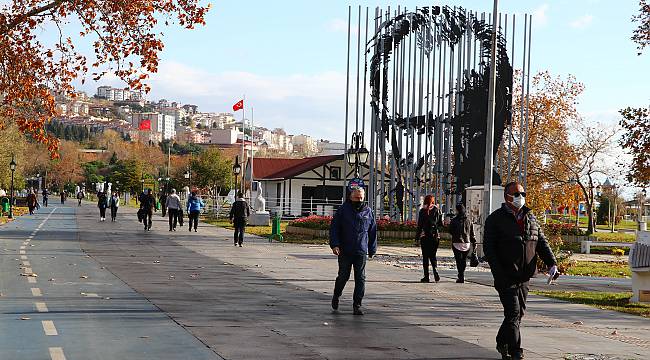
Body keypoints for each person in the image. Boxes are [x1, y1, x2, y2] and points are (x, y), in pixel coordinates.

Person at [484, 182, 558, 360]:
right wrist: (498, 273)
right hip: (505, 275)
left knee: (518, 314)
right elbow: (489, 249)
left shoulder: (530, 217)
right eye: (516, 194)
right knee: (513, 312)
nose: (520, 197)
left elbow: (541, 242)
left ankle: (502, 341)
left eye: (523, 193)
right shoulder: (495, 219)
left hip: (524, 275)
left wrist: (552, 263)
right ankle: (516, 350)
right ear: (507, 197)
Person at [329, 186, 377, 316]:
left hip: (360, 250)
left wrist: (372, 248)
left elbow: (372, 231)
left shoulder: (368, 211)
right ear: (351, 197)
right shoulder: (343, 211)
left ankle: (357, 305)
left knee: (360, 278)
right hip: (345, 249)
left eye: (361, 198)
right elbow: (334, 229)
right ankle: (336, 295)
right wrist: (335, 245)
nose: (359, 200)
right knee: (343, 276)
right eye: (357, 197)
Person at [415, 194, 443, 283]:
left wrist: (416, 238)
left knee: (425, 257)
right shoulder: (437, 210)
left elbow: (419, 226)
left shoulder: (422, 211)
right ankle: (435, 270)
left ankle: (426, 276)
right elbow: (441, 224)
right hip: (435, 237)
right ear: (433, 201)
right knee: (433, 255)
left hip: (425, 236)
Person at [449, 203, 476, 283]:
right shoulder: (468, 220)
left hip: (456, 242)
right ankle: (462, 274)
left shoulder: (454, 220)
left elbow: (450, 231)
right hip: (466, 243)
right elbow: (472, 233)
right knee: (463, 260)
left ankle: (460, 275)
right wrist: (474, 243)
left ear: (457, 210)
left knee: (458, 260)